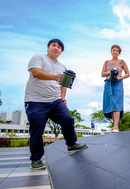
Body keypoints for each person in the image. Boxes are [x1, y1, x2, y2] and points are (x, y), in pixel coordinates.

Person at [24, 39, 87, 170]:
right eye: (53, 45)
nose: (56, 48)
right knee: (37, 128)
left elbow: (64, 84)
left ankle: (71, 144)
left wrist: (62, 97)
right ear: (48, 47)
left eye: (59, 47)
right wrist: (53, 77)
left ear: (61, 51)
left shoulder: (63, 67)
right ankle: (35, 160)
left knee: (68, 119)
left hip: (55, 100)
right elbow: (35, 72)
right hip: (36, 101)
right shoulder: (39, 57)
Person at [101, 45, 130, 133]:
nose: (115, 52)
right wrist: (109, 72)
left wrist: (120, 78)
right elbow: (102, 74)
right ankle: (114, 127)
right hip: (108, 83)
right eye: (114, 50)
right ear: (111, 51)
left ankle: (116, 127)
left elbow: (128, 74)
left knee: (116, 103)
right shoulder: (106, 62)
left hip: (118, 83)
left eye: (117, 51)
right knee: (111, 104)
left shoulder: (122, 62)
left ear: (119, 53)